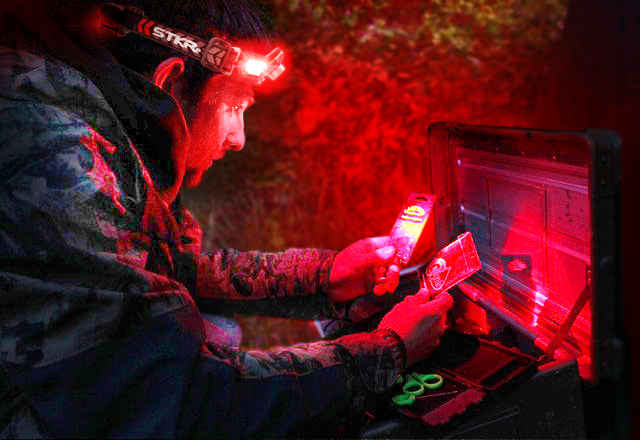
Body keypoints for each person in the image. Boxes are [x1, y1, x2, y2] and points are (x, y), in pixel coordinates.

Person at [0, 0, 453, 437]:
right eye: (234, 107)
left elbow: (175, 272)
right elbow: (170, 400)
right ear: (171, 81)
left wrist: (325, 276)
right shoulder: (56, 157)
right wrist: (387, 351)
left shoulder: (97, 131)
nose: (238, 139)